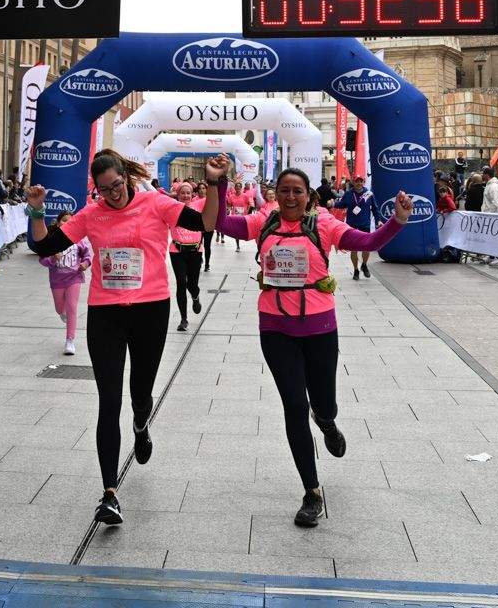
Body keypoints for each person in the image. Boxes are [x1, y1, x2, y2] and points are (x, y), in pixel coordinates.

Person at [25, 150, 221, 527]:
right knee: (108, 400)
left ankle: (141, 425)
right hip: (106, 313)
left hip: (150, 309)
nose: (112, 195)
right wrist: (36, 211)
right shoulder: (92, 214)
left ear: (127, 178)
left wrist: (212, 183)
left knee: (140, 394)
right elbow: (44, 245)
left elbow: (206, 223)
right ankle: (110, 493)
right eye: (103, 190)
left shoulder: (156, 203)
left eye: (117, 185)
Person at [213, 163, 412, 527]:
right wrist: (217, 183)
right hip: (275, 328)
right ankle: (311, 490)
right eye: (284, 190)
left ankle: (328, 422)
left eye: (297, 191)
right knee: (293, 405)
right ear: (276, 194)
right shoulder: (264, 222)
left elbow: (365, 241)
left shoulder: (323, 224)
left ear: (308, 196)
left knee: (324, 403)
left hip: (320, 327)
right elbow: (220, 224)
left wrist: (397, 220)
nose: (290, 196)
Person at [40, 212, 91, 355]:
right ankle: (62, 313)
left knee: (72, 308)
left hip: (74, 278)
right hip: (57, 280)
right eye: (64, 220)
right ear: (58, 223)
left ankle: (70, 340)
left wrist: (85, 264)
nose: (67, 223)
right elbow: (43, 260)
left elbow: (87, 256)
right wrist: (52, 259)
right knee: (59, 309)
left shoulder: (79, 240)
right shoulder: (52, 241)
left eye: (70, 221)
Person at [167, 182, 205, 331]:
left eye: (188, 193)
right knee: (181, 282)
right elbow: (156, 195)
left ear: (192, 194)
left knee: (192, 285)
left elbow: (216, 199)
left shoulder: (199, 204)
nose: (186, 195)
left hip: (195, 251)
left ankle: (195, 297)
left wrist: (219, 180)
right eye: (183, 193)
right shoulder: (171, 208)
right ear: (178, 194)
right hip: (177, 251)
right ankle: (183, 319)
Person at [336, 175, 376, 280]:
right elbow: (341, 205)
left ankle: (364, 264)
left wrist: (379, 220)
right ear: (353, 182)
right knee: (353, 249)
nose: (359, 183)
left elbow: (375, 209)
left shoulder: (369, 194)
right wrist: (333, 203)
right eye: (357, 181)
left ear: (364, 182)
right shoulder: (348, 194)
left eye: (361, 181)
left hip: (365, 224)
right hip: (352, 224)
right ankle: (356, 270)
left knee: (366, 247)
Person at [196, 181, 216, 273]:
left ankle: (207, 264)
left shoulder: (210, 200)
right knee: (198, 245)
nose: (201, 190)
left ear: (206, 190)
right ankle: (199, 260)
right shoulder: (194, 200)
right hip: (197, 227)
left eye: (203, 188)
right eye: (200, 188)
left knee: (207, 246)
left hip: (208, 226)